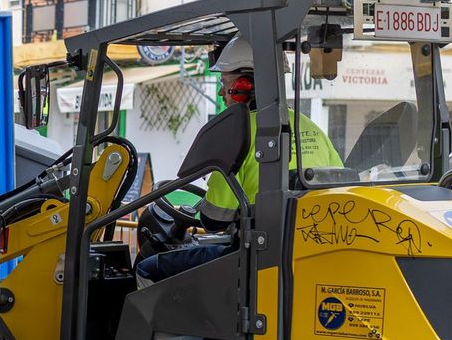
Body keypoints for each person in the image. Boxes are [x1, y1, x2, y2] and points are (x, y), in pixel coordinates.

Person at [136, 36, 341, 281]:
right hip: (305, 254)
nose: (222, 92)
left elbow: (213, 219)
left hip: (253, 257)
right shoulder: (308, 126)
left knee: (148, 268)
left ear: (243, 86)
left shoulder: (235, 134)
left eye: (225, 83)